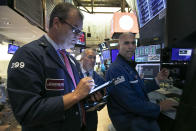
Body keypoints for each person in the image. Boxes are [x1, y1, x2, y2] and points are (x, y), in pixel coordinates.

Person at [7, 2, 100, 131]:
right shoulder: (29, 55)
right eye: (75, 30)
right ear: (56, 23)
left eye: (80, 31)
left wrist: (88, 97)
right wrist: (76, 95)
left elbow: (73, 97)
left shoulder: (71, 60)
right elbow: (27, 112)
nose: (79, 36)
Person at [106, 33, 178, 131]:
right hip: (129, 121)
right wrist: (159, 107)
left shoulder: (127, 65)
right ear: (119, 47)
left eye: (133, 43)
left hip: (134, 116)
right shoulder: (116, 69)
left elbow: (138, 88)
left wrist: (158, 79)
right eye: (126, 43)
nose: (131, 46)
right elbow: (130, 102)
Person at [80, 48, 106, 131]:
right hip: (75, 117)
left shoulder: (100, 79)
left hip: (91, 118)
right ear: (82, 59)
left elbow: (103, 101)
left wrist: (99, 102)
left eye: (94, 58)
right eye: (90, 57)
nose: (92, 60)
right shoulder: (73, 74)